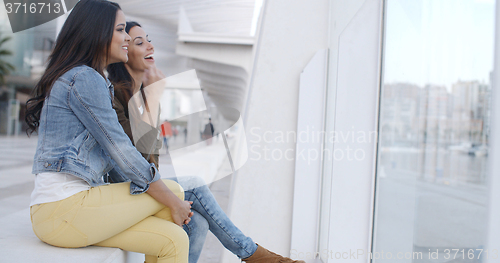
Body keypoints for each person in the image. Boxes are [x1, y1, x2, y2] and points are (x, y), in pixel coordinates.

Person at [107, 21, 305, 263]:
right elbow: (137, 161)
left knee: (198, 223)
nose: (150, 45)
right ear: (125, 54)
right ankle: (254, 255)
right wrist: (155, 98)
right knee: (195, 184)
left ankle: (256, 255)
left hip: (141, 186)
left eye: (148, 38)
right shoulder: (115, 95)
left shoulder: (139, 94)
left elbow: (151, 162)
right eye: (139, 43)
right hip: (123, 191)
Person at [24, 1, 193, 262]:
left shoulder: (87, 77)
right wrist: (173, 201)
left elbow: (118, 160)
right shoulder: (85, 78)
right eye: (120, 30)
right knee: (175, 193)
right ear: (97, 33)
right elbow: (121, 150)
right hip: (63, 209)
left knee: (173, 240)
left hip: (59, 213)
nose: (126, 37)